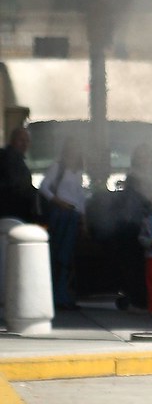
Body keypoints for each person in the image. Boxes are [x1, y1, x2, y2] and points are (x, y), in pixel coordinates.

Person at [115, 143, 152, 311]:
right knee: (136, 265)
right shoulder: (133, 180)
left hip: (150, 226)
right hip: (134, 227)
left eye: (147, 156)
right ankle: (138, 296)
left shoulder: (151, 181)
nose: (145, 160)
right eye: (142, 157)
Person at [39, 137, 87, 309]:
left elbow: (80, 197)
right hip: (61, 214)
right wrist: (58, 202)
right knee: (58, 255)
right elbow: (43, 187)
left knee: (67, 257)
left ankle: (63, 294)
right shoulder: (57, 167)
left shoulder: (79, 172)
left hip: (73, 216)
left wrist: (83, 218)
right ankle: (56, 295)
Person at [0, 127, 38, 222]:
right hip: (10, 213)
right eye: (21, 140)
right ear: (13, 141)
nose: (24, 144)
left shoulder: (17, 159)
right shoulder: (8, 159)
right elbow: (16, 184)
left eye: (27, 141)